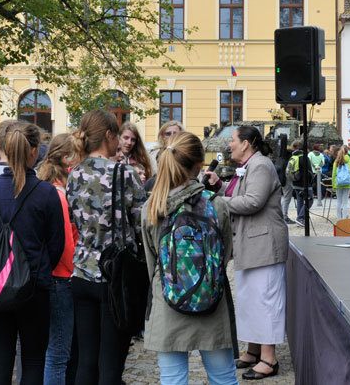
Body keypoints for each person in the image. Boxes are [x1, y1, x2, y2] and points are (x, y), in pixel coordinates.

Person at [143, 131, 238, 385]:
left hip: (168, 301)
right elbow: (225, 254)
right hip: (211, 301)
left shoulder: (153, 207)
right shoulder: (217, 205)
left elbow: (152, 262)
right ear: (200, 165)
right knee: (224, 379)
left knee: (173, 380)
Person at [0, 123, 65, 384]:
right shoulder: (47, 193)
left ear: (0, 148)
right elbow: (56, 244)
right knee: (33, 360)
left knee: (0, 358)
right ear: (34, 151)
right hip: (35, 284)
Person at [66, 109, 147, 384]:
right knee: (110, 366)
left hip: (81, 272)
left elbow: (74, 219)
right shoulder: (124, 173)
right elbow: (140, 224)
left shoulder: (73, 174)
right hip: (115, 278)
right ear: (110, 135)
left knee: (85, 362)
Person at [203, 125, 288, 380]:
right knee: (250, 301)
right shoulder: (249, 166)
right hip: (251, 244)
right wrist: (219, 186)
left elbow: (252, 201)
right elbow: (236, 193)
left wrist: (214, 201)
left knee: (265, 300)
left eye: (233, 140)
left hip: (264, 244)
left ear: (246, 144)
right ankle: (252, 350)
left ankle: (269, 359)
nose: (229, 145)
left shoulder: (260, 165)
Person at [36, 132, 80, 384]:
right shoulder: (59, 195)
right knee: (59, 351)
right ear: (66, 160)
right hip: (61, 278)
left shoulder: (46, 188)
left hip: (51, 276)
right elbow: (65, 244)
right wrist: (76, 270)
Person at [331, 145, 350, 220]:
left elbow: (334, 175)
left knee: (339, 202)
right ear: (347, 152)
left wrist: (333, 185)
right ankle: (344, 219)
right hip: (348, 184)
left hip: (338, 183)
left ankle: (339, 218)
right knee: (345, 202)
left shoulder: (336, 162)